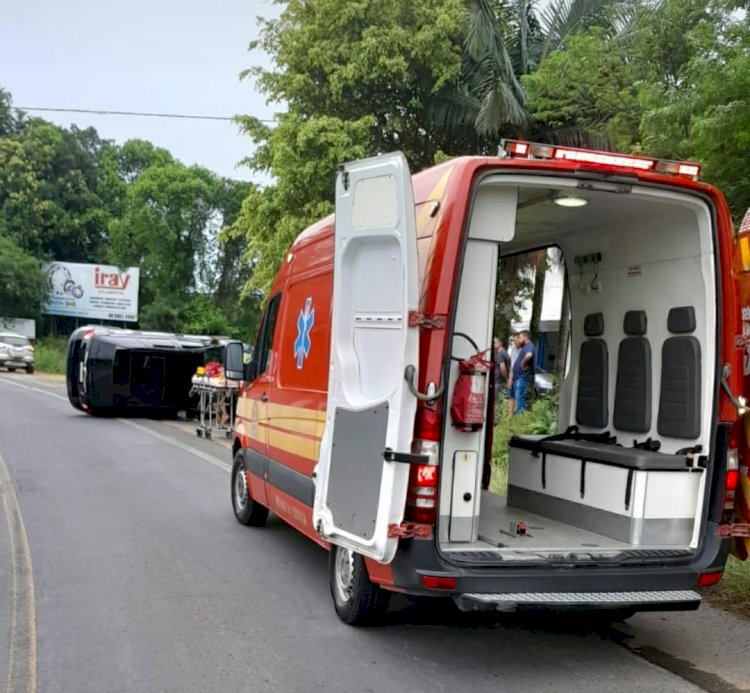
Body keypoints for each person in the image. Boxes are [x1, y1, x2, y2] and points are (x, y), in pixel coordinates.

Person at [510, 330, 536, 414]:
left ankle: (520, 416)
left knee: (519, 397)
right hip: (518, 376)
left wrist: (523, 362)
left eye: (520, 337)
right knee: (518, 397)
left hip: (522, 376)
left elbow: (529, 355)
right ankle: (519, 415)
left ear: (525, 337)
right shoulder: (525, 347)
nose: (518, 339)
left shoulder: (529, 345)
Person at [492, 337, 511, 406]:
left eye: (494, 342)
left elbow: (502, 368)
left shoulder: (500, 354)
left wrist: (506, 379)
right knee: (500, 402)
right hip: (501, 382)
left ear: (500, 343)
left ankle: (497, 417)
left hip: (498, 382)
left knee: (497, 403)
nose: (493, 344)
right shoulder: (505, 352)